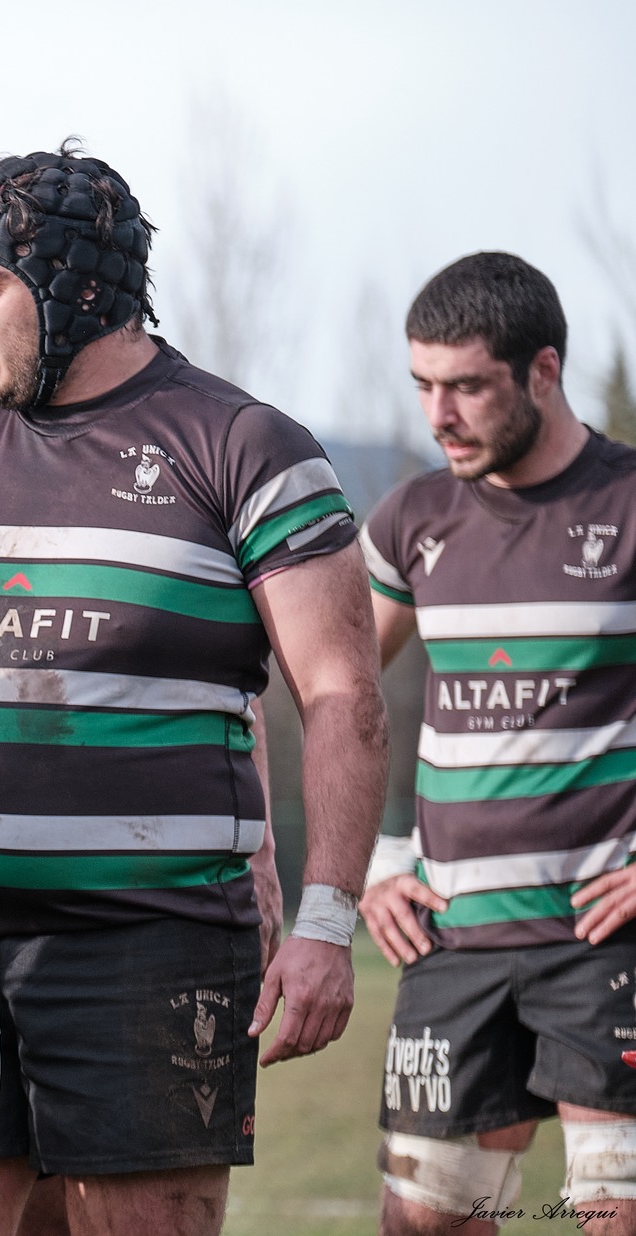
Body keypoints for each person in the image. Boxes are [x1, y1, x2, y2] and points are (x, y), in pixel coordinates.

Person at [0, 146, 388, 1236]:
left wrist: (327, 920)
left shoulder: (242, 446)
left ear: (77, 292)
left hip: (155, 945)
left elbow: (342, 697)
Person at [359, 252, 636, 1235]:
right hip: (451, 941)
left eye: (467, 387)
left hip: (603, 939)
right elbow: (333, 693)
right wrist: (370, 864)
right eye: (422, 386)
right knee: (423, 1219)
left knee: (614, 1213)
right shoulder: (413, 518)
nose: (438, 415)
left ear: (543, 371)